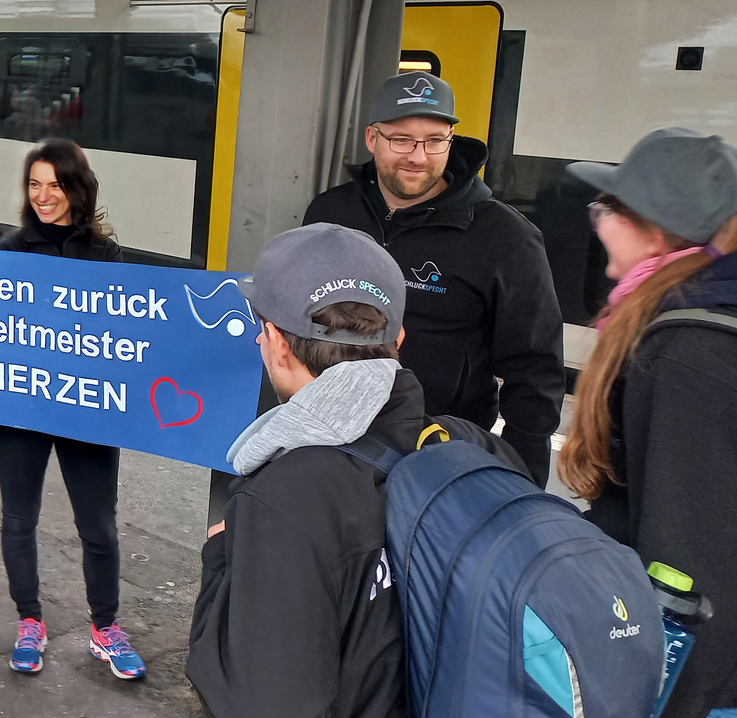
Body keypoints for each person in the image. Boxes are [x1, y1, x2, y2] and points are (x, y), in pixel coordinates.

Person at [186, 223, 527, 717]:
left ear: (276, 342)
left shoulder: (285, 499)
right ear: (400, 339)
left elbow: (259, 700)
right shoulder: (469, 445)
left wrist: (221, 557)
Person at [560, 128, 737, 718]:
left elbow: (694, 580)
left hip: (727, 690)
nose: (597, 223)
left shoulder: (695, 357)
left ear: (652, 229)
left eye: (606, 210)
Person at [303, 71, 564, 487]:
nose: (418, 156)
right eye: (401, 139)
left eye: (434, 140)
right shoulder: (330, 213)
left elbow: (534, 368)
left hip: (437, 454)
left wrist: (523, 474)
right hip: (326, 433)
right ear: (372, 138)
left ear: (451, 140)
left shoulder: (505, 238)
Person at [0, 139, 145, 680]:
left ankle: (106, 628)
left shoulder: (107, 256)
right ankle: (29, 621)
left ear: (78, 189)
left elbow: (124, 333)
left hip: (87, 412)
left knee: (99, 526)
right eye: (35, 184)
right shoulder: (6, 253)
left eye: (55, 184)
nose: (43, 195)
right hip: (20, 409)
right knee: (17, 521)